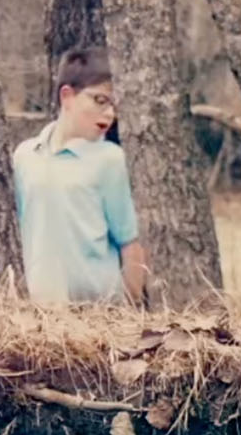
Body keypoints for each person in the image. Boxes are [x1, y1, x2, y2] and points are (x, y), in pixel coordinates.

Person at [12, 46, 148, 305]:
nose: (110, 114)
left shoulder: (109, 159)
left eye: (114, 105)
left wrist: (130, 311)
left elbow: (130, 242)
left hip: (100, 310)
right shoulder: (26, 156)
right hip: (42, 311)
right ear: (67, 96)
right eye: (100, 100)